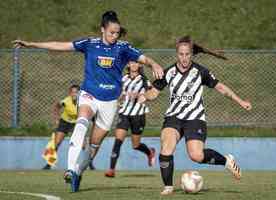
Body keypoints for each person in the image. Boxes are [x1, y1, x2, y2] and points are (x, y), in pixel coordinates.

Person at [13, 10, 164, 192]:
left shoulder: (123, 47)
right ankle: (70, 169)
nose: (115, 36)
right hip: (89, 95)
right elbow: (60, 45)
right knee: (82, 121)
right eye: (111, 33)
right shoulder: (89, 44)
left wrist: (154, 64)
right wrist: (31, 44)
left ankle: (78, 172)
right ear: (102, 29)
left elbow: (144, 59)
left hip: (109, 102)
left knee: (93, 147)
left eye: (117, 33)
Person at [138, 36, 252, 195]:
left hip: (195, 118)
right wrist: (143, 97)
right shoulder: (168, 72)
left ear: (192, 54)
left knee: (196, 156)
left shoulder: (201, 72)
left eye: (187, 54)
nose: (184, 58)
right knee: (166, 147)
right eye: (181, 54)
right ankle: (168, 187)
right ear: (177, 54)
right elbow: (154, 93)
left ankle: (226, 161)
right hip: (174, 117)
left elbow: (221, 88)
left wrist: (240, 101)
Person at [105, 61, 156, 178]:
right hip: (124, 113)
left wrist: (140, 96)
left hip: (138, 115)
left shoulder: (144, 80)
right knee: (118, 141)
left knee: (135, 145)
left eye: (136, 63)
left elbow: (152, 93)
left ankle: (149, 152)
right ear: (128, 65)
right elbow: (118, 93)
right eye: (131, 62)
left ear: (140, 65)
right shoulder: (123, 79)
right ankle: (111, 169)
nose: (133, 65)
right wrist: (120, 98)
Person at [41, 84, 96, 170]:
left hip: (77, 123)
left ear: (80, 93)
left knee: (83, 145)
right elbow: (57, 107)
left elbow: (90, 111)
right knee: (57, 142)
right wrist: (57, 118)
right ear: (69, 93)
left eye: (76, 92)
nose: (74, 94)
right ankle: (49, 164)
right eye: (72, 92)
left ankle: (89, 164)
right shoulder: (66, 101)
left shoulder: (83, 102)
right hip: (65, 122)